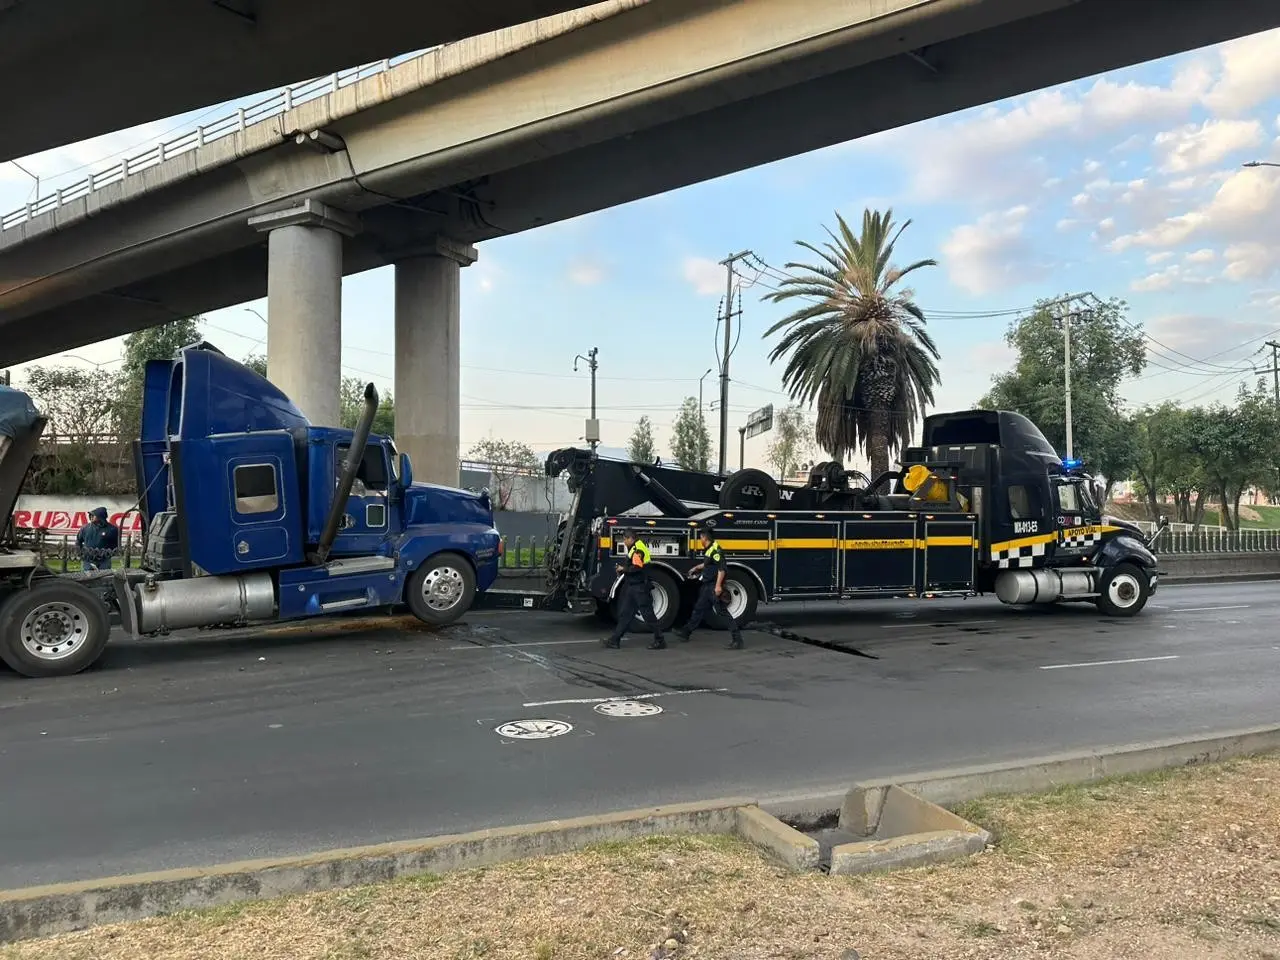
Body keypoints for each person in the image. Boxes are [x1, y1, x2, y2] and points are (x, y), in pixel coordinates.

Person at [674, 526, 744, 650]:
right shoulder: (710, 549)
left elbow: (722, 569)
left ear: (704, 538)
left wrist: (718, 586)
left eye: (700, 537)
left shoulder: (716, 550)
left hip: (713, 587)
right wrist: (696, 568)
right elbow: (708, 563)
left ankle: (737, 640)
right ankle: (686, 632)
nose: (700, 539)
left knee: (722, 612)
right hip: (707, 587)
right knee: (698, 609)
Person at [604, 529, 665, 650]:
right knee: (625, 614)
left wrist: (623, 569)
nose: (624, 542)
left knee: (648, 615)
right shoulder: (634, 548)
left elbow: (637, 567)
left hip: (640, 588)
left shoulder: (638, 549)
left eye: (625, 539)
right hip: (634, 587)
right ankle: (615, 640)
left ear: (630, 538)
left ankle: (660, 640)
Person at [76, 507, 119, 571]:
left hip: (104, 560)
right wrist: (80, 553)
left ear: (100, 517)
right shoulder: (85, 528)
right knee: (87, 578)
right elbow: (78, 541)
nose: (91, 517)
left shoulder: (112, 529)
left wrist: (109, 553)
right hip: (88, 559)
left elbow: (116, 544)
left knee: (104, 577)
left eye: (93, 515)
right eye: (90, 515)